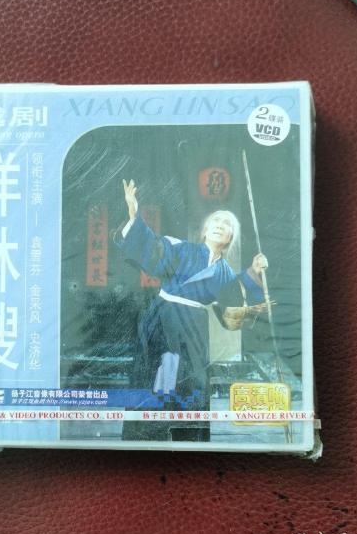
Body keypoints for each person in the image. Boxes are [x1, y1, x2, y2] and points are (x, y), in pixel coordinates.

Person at [115, 179, 268, 429]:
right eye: (215, 221)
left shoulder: (224, 272)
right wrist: (134, 214)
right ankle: (146, 436)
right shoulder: (182, 249)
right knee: (154, 379)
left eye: (226, 224)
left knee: (191, 384)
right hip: (163, 319)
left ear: (230, 237)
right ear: (205, 230)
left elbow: (235, 299)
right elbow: (154, 249)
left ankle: (188, 437)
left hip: (194, 329)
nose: (220, 225)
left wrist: (254, 271)